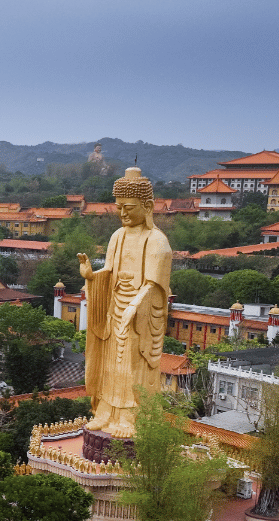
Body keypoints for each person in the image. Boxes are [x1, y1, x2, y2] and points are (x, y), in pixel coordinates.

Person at [78, 166, 172, 439]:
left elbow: (154, 285)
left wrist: (134, 307)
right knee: (110, 364)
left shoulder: (157, 241)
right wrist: (91, 277)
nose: (122, 213)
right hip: (114, 306)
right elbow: (109, 271)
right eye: (119, 207)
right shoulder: (117, 237)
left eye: (129, 207)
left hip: (139, 314)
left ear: (148, 206)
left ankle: (131, 416)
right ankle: (105, 411)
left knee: (132, 366)